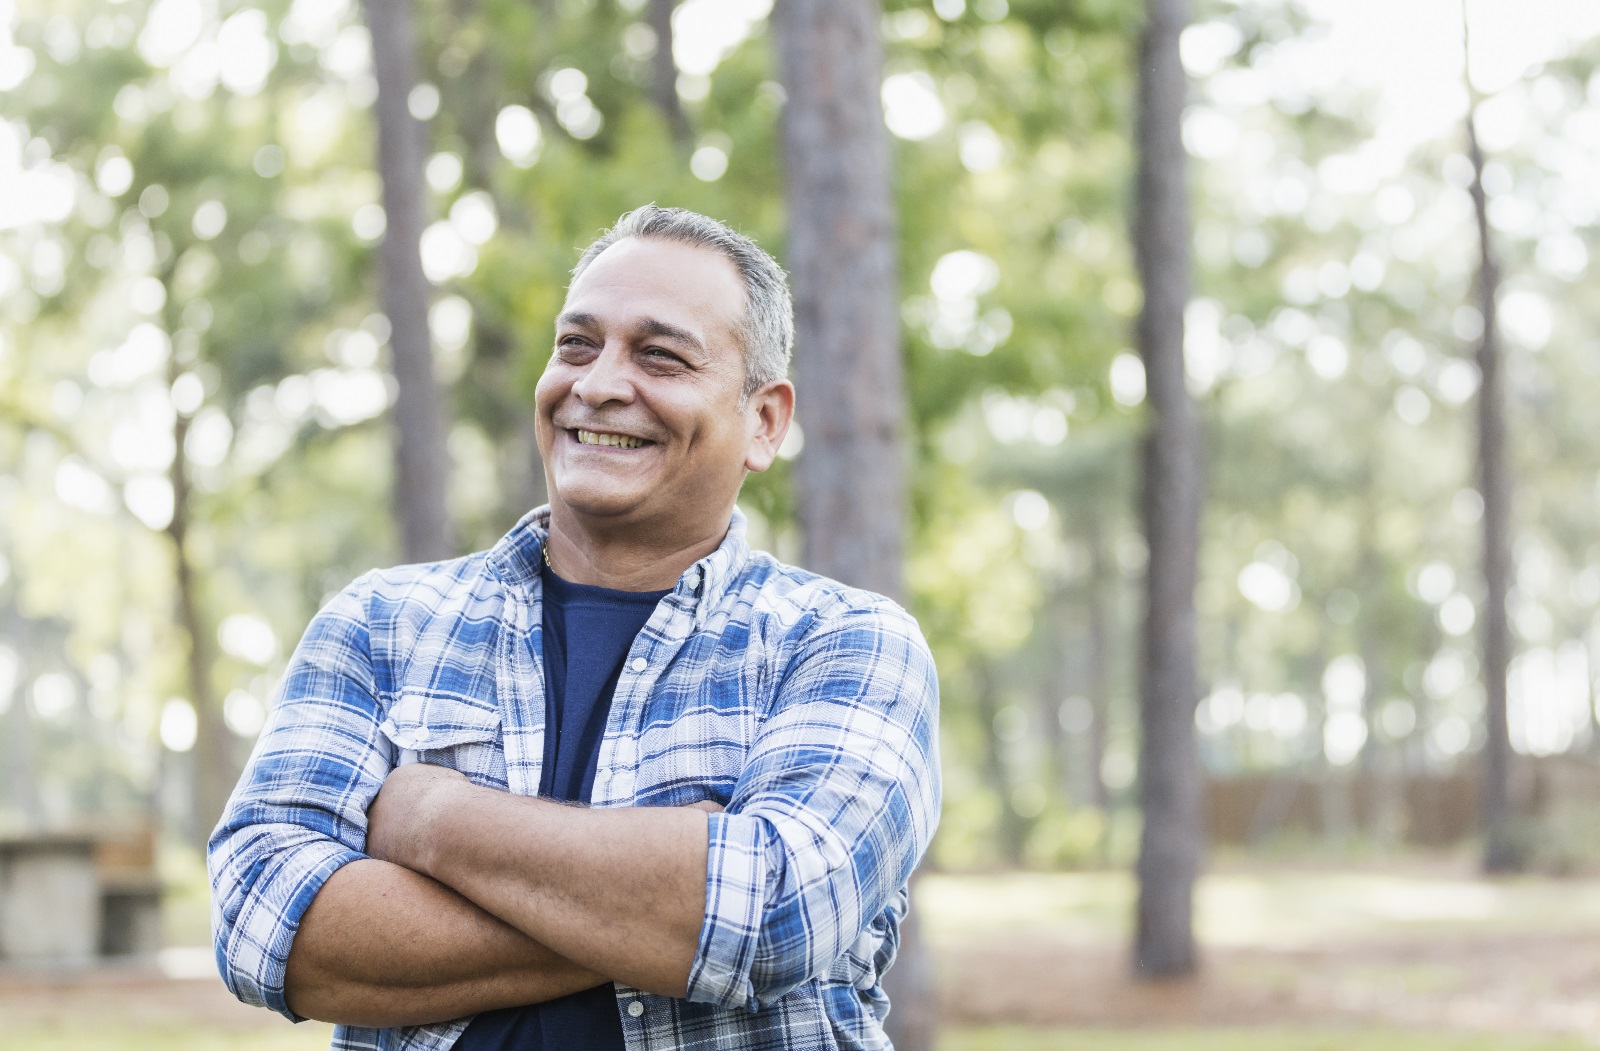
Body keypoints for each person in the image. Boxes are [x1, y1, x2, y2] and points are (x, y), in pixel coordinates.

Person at [208, 205, 942, 1051]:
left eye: (660, 355)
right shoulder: (381, 628)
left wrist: (431, 819)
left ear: (766, 421)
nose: (596, 385)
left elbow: (776, 912)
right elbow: (264, 920)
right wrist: (662, 895)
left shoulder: (847, 643)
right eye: (576, 345)